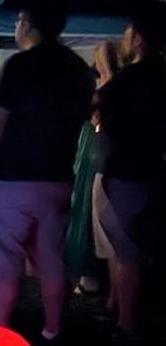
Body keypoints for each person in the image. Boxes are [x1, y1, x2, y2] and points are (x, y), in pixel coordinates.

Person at [0, 5, 94, 341]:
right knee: (50, 258)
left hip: (11, 179)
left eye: (19, 21)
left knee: (7, 264)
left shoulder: (18, 66)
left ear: (27, 25)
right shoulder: (78, 69)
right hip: (57, 178)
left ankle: (1, 331)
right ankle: (53, 329)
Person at [92, 17, 166, 337]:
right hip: (150, 167)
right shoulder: (160, 74)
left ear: (138, 38)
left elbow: (95, 107)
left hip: (122, 168)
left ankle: (126, 321)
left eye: (127, 33)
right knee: (129, 246)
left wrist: (105, 75)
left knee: (124, 250)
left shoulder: (128, 78)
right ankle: (116, 306)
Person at [66, 41, 120, 294]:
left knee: (90, 215)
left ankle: (92, 274)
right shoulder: (118, 90)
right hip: (98, 157)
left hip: (95, 157)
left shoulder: (107, 93)